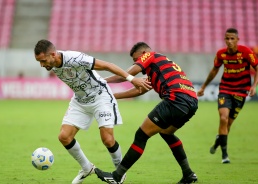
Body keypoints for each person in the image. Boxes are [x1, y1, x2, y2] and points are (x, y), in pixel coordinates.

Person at [34, 39, 151, 184]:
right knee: (64, 137)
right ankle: (86, 168)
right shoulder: (52, 64)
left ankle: (119, 174)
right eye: (39, 61)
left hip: (100, 96)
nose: (42, 64)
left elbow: (108, 65)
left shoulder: (75, 58)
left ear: (53, 54)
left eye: (43, 60)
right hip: (80, 100)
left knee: (107, 140)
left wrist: (132, 79)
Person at [94, 42, 198, 184]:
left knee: (141, 136)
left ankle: (117, 177)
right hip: (191, 102)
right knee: (166, 133)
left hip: (176, 99)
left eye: (136, 60)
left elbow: (127, 74)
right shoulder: (159, 66)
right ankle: (188, 173)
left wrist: (100, 81)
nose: (136, 63)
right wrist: (112, 96)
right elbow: (140, 89)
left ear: (143, 54)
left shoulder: (150, 55)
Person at [197, 28, 258, 164]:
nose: (229, 41)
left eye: (232, 39)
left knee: (228, 124)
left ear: (237, 40)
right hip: (225, 89)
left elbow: (257, 67)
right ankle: (225, 155)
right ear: (225, 40)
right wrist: (203, 87)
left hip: (241, 91)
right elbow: (214, 71)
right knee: (223, 119)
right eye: (227, 39)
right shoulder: (221, 54)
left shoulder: (247, 52)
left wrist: (253, 86)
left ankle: (218, 141)